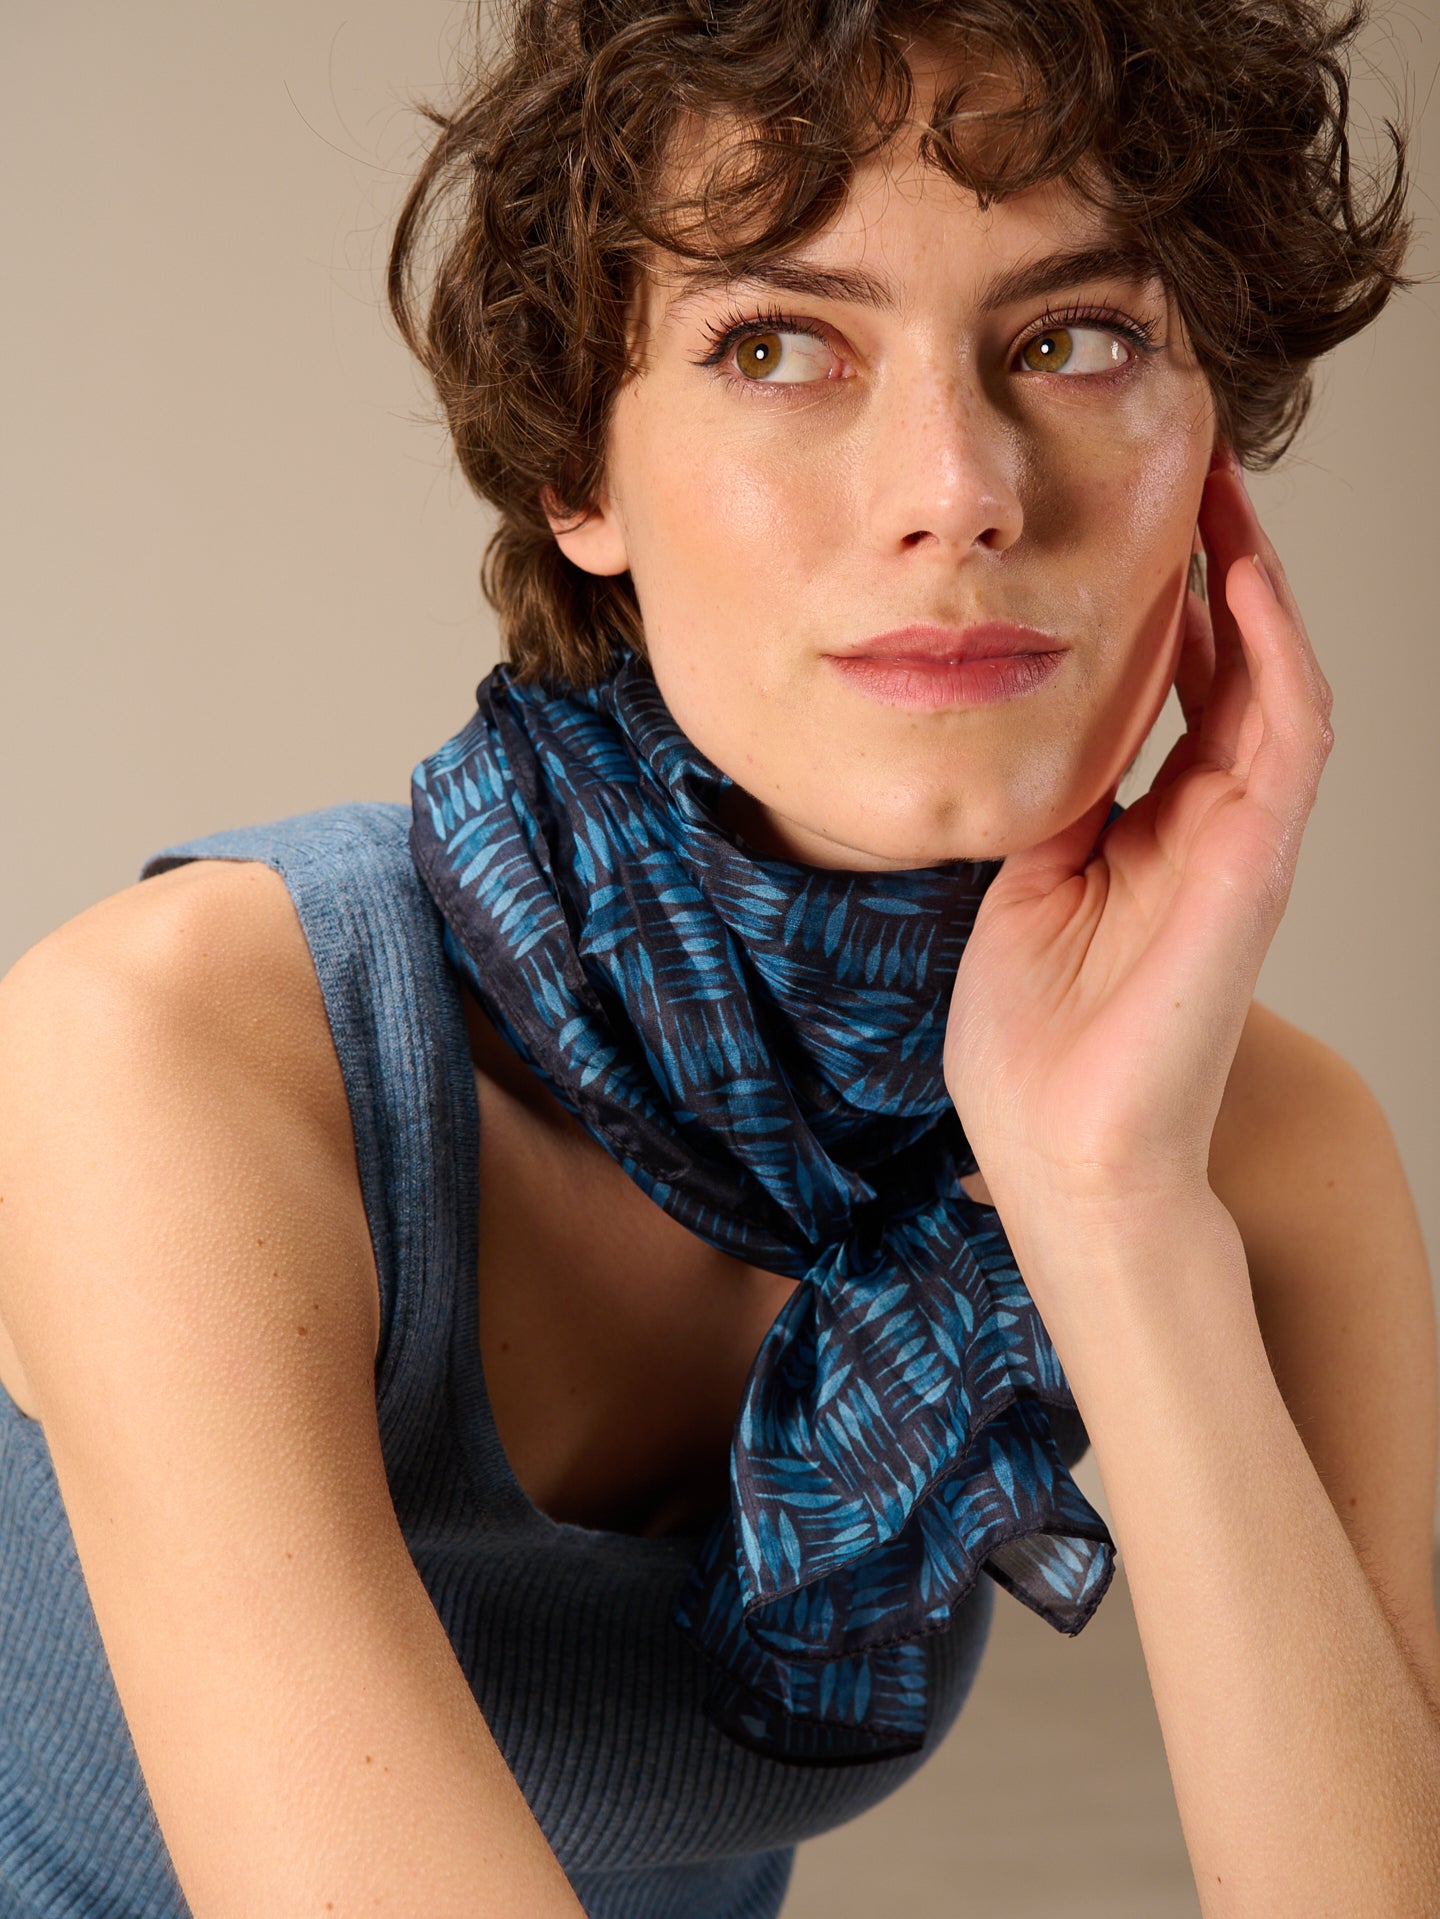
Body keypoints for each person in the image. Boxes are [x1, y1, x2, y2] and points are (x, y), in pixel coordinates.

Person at [0, 0, 1434, 1914]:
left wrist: (1105, 1198)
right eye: (777, 346)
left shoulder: (1248, 1150)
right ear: (575, 473)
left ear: (1213, 469)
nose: (957, 486)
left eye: (1075, 339)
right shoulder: (161, 1052)